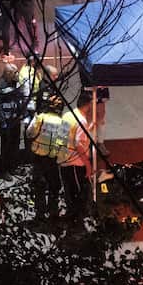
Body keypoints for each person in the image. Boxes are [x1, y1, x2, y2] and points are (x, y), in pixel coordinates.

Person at [26, 94, 69, 222]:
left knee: (39, 185)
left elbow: (29, 133)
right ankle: (53, 212)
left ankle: (40, 214)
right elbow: (63, 144)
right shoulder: (64, 123)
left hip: (38, 158)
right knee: (54, 186)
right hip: (53, 160)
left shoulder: (40, 118)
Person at [58, 95, 94, 223]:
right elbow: (79, 144)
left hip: (63, 159)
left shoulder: (67, 115)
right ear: (87, 105)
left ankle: (71, 216)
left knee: (69, 190)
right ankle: (78, 219)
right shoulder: (81, 121)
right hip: (75, 162)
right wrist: (88, 165)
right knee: (78, 191)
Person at [0, 64, 26, 176]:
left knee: (15, 144)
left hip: (15, 119)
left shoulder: (16, 83)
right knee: (6, 146)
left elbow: (20, 98)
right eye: (15, 72)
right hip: (6, 121)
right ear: (8, 73)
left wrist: (22, 113)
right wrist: (2, 122)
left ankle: (13, 167)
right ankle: (4, 169)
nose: (17, 74)